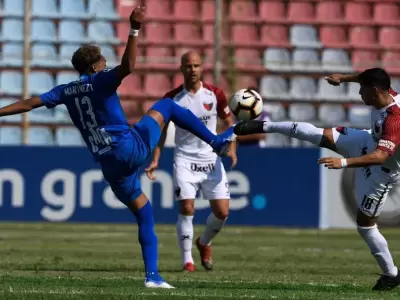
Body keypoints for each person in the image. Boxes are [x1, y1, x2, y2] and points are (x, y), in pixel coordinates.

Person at [0, 6, 235, 288]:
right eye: (102, 60)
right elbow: (128, 67)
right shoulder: (101, 80)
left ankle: (153, 277)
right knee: (168, 106)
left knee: (144, 212)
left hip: (109, 165)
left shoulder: (64, 90)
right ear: (94, 66)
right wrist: (134, 29)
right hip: (129, 147)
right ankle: (215, 140)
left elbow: (28, 104)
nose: (105, 63)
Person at [233, 68, 400, 291]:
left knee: (365, 225)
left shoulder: (393, 119)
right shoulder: (383, 91)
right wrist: (342, 79)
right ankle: (266, 126)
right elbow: (364, 78)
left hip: (382, 172)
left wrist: (342, 163)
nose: (359, 93)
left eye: (362, 90)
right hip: (368, 141)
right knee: (317, 134)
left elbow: (380, 157)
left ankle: (391, 274)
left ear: (376, 91)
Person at [145, 51, 236, 272]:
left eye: (196, 65)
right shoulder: (172, 98)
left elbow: (229, 122)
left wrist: (231, 148)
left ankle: (203, 243)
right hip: (184, 158)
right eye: (188, 66)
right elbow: (162, 132)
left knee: (222, 212)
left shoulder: (215, 95)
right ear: (181, 69)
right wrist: (155, 159)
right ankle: (188, 260)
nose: (192, 69)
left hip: (210, 159)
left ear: (202, 68)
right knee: (187, 206)